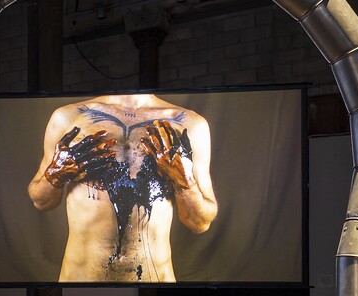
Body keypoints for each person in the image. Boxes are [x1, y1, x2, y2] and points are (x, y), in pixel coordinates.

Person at [26, 92, 217, 282]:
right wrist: (56, 174)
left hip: (154, 285)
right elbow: (42, 202)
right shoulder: (68, 117)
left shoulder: (189, 124)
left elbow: (199, 223)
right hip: (79, 284)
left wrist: (184, 182)